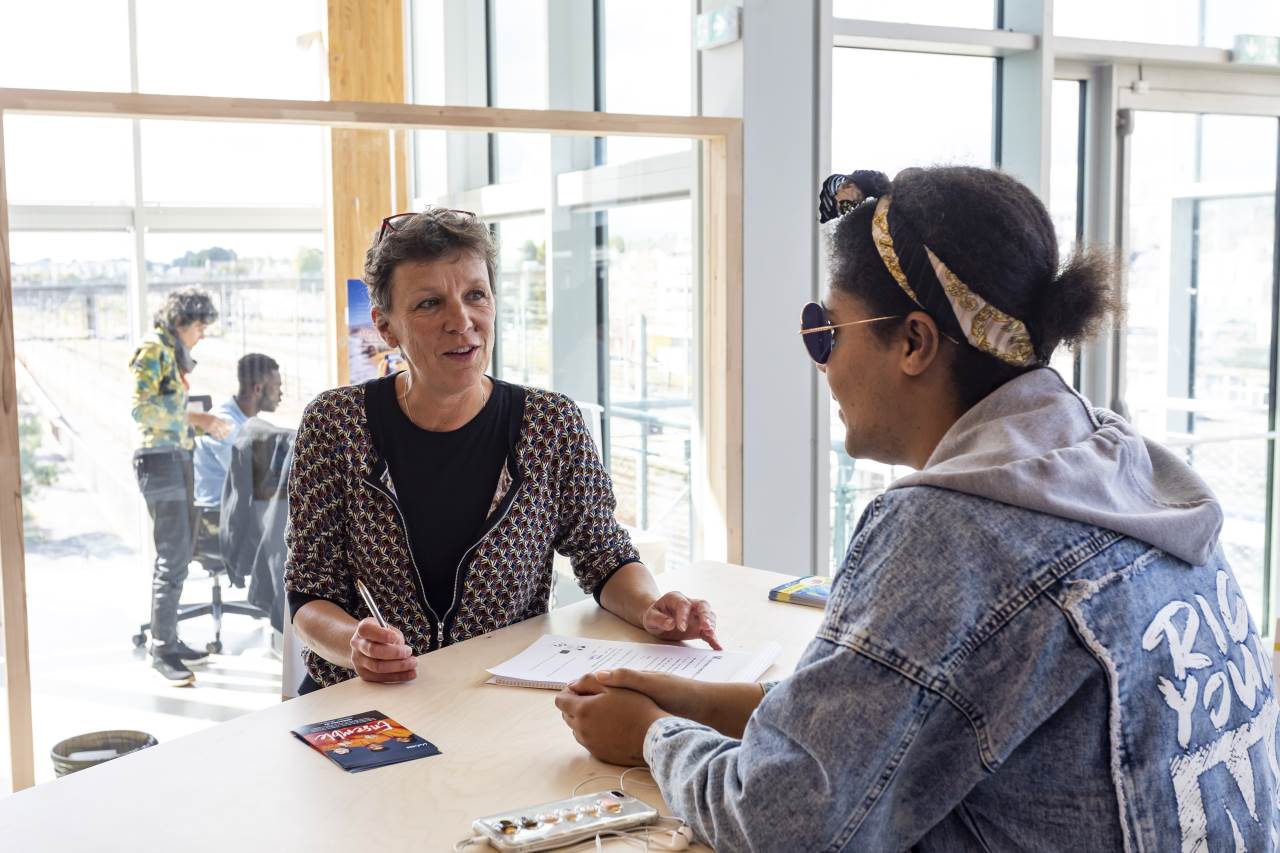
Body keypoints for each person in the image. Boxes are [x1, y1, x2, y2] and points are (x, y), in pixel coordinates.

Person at [555, 167, 1279, 851]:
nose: (823, 361)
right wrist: (701, 701)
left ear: (913, 341)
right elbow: (910, 709)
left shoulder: (953, 528)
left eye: (825, 328)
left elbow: (783, 820)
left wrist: (649, 732)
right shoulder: (1127, 469)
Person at [284, 208, 719, 695]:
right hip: (363, 704)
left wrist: (650, 608)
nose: (461, 321)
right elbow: (309, 592)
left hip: (495, 700)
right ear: (386, 327)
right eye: (429, 304)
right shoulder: (335, 424)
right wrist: (354, 646)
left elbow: (605, 556)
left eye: (475, 295)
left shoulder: (549, 423)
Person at [129, 287, 233, 686]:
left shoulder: (169, 352)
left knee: (180, 552)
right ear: (183, 323)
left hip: (176, 458)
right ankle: (161, 649)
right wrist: (197, 420)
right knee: (172, 556)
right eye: (200, 327)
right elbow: (142, 407)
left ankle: (169, 639)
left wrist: (199, 426)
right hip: (159, 461)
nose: (201, 335)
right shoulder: (152, 349)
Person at [192, 352, 282, 509]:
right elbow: (248, 478)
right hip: (217, 514)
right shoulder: (224, 423)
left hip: (238, 510)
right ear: (258, 389)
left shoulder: (245, 422)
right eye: (277, 387)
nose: (281, 394)